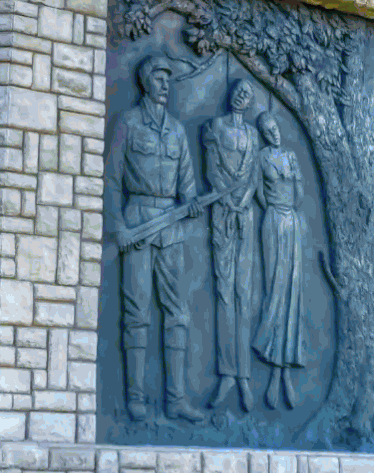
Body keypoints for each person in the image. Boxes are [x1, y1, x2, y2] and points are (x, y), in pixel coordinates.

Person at [104, 51, 207, 424]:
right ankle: (135, 398)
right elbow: (112, 179)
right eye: (160, 78)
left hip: (171, 228)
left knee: (177, 313)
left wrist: (191, 204)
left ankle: (176, 400)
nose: (166, 84)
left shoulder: (177, 131)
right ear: (146, 82)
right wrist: (119, 227)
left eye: (168, 79)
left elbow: (187, 185)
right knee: (136, 313)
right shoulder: (128, 124)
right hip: (138, 226)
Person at [201, 79, 262, 414]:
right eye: (238, 90)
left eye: (247, 94)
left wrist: (243, 202)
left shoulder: (252, 135)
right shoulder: (215, 127)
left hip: (245, 216)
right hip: (223, 213)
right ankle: (226, 373)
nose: (241, 96)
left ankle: (244, 377)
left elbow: (254, 177)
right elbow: (211, 170)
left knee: (244, 293)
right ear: (230, 95)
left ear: (250, 102)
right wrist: (229, 201)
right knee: (224, 293)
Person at [250, 111, 308, 409]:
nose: (273, 133)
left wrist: (288, 207)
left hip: (292, 223)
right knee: (275, 289)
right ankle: (272, 370)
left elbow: (299, 194)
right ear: (262, 133)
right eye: (267, 130)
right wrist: (275, 209)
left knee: (291, 294)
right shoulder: (261, 158)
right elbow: (259, 193)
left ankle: (283, 374)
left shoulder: (291, 157)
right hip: (273, 222)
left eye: (275, 127)